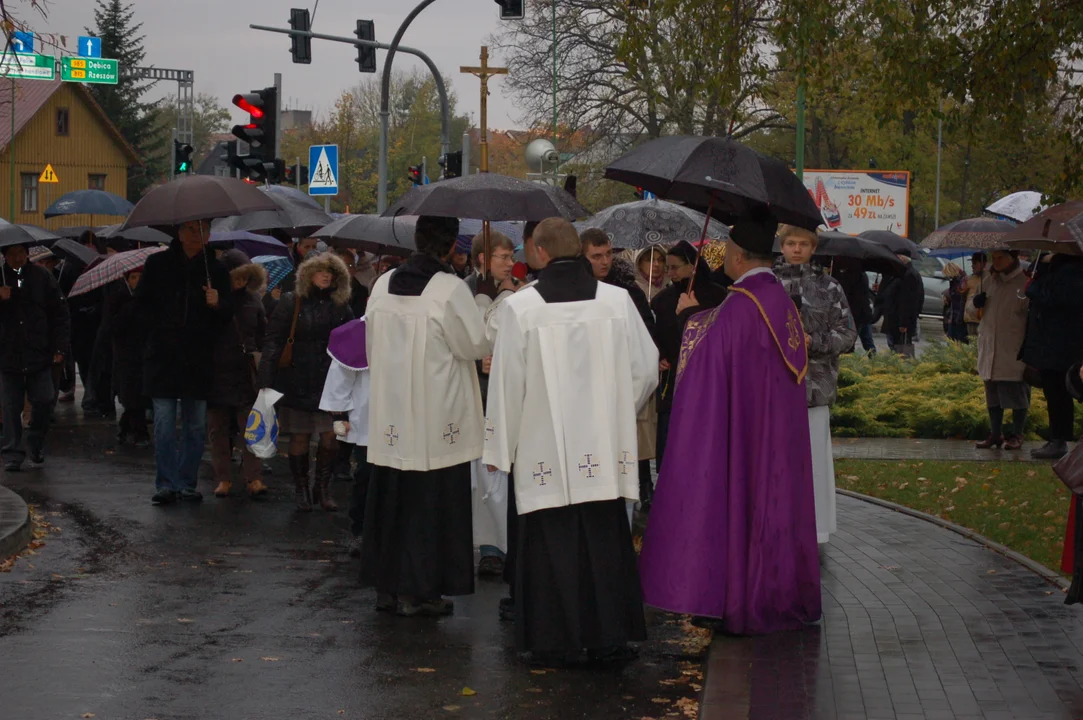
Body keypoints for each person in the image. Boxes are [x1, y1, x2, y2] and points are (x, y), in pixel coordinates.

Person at [483, 217, 658, 664]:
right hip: (603, 445)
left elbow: (506, 385)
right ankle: (609, 639)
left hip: (544, 448)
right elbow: (646, 366)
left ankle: (551, 640)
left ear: (538, 253)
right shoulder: (618, 302)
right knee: (602, 538)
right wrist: (617, 411)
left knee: (549, 542)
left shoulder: (521, 309)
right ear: (579, 252)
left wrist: (500, 448)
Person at [638, 214, 821, 635]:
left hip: (740, 434)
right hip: (775, 437)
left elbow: (704, 361)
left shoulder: (740, 306)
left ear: (737, 257)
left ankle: (735, 596)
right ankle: (777, 592)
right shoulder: (780, 302)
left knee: (737, 501)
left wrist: (688, 317)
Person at [361, 216, 490, 617]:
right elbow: (473, 345)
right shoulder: (449, 289)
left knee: (392, 499)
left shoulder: (382, 284)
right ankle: (422, 590)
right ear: (452, 246)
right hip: (435, 414)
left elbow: (370, 344)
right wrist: (483, 303)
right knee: (430, 505)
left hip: (391, 413)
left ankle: (387, 587)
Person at [135, 219, 233, 505]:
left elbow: (228, 313)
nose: (196, 235)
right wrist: (157, 332)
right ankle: (166, 482)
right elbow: (141, 304)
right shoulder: (158, 264)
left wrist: (217, 303)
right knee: (164, 423)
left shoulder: (216, 268)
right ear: (179, 232)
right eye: (190, 229)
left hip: (198, 360)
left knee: (195, 426)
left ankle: (187, 482)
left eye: (202, 229)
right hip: (163, 359)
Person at [775, 225, 856, 545]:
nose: (797, 249)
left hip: (816, 387)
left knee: (815, 464)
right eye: (791, 243)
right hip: (776, 388)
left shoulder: (830, 286)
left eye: (803, 244)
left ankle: (817, 528)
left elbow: (847, 334)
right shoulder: (769, 284)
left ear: (813, 248)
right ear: (781, 246)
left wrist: (815, 341)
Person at [259, 252, 354, 510]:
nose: (326, 275)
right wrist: (265, 381)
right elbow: (274, 341)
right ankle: (302, 490)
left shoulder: (340, 305)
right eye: (320, 270)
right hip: (296, 379)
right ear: (308, 275)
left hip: (329, 383)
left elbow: (351, 344)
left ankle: (322, 489)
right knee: (299, 437)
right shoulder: (292, 301)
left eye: (330, 272)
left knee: (330, 436)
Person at [581, 228, 659, 510]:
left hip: (624, 380)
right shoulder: (578, 291)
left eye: (608, 255)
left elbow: (646, 333)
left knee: (631, 448)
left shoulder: (627, 290)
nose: (604, 261)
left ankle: (641, 492)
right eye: (596, 256)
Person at [650, 241, 727, 469]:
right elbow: (654, 332)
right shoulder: (662, 300)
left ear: (692, 266)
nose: (670, 273)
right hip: (671, 378)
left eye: (675, 267)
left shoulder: (718, 296)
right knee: (668, 443)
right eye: (668, 268)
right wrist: (659, 354)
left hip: (705, 380)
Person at [469, 230, 519, 578]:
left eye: (511, 256)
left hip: (509, 394)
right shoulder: (464, 291)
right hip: (477, 395)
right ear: (483, 258)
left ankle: (510, 543)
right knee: (483, 474)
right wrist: (476, 361)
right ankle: (488, 546)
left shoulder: (519, 293)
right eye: (502, 257)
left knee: (507, 471)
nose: (510, 263)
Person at [0, 243, 70, 472]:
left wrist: (59, 347)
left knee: (43, 399)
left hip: (39, 352)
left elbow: (59, 313)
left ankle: (36, 441)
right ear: (5, 256)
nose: (17, 258)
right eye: (12, 254)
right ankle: (12, 451)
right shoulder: (1, 278)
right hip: (8, 354)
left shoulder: (41, 277)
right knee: (11, 406)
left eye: (21, 253)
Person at [207, 250, 269, 499]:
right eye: (236, 277)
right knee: (218, 429)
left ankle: (254, 477)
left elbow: (263, 333)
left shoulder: (254, 300)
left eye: (245, 278)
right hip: (216, 370)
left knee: (250, 427)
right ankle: (223, 478)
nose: (240, 282)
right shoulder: (212, 299)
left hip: (245, 371)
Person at [1020, 253, 1083, 459]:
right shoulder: (1057, 269)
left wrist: (1034, 287)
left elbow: (1055, 299)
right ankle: (1057, 438)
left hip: (1062, 344)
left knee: (1059, 393)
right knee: (1054, 392)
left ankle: (1059, 440)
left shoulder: (1072, 271)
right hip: (1051, 342)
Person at [320, 317, 370, 558]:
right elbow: (339, 378)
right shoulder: (357, 333)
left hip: (404, 419)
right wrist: (339, 415)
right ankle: (361, 531)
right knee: (365, 477)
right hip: (367, 420)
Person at [971, 249, 1029, 450]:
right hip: (989, 344)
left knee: (1016, 392)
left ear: (1012, 258)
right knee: (992, 393)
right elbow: (973, 310)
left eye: (1000, 258)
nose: (996, 262)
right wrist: (976, 303)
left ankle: (1017, 434)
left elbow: (1029, 316)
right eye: (993, 258)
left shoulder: (1023, 283)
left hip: (1012, 346)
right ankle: (995, 433)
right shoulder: (988, 280)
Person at [103, 268, 149, 446]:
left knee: (140, 393)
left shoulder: (148, 298)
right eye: (133, 277)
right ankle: (139, 431)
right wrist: (130, 308)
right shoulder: (118, 299)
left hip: (144, 351)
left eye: (140, 276)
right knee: (132, 392)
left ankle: (126, 426)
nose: (137, 280)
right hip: (125, 353)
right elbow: (111, 326)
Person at [879, 249, 923, 356]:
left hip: (899, 321)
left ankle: (903, 370)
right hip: (894, 319)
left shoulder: (909, 275)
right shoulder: (900, 273)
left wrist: (904, 323)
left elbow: (908, 301)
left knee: (901, 350)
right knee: (895, 347)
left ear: (902, 258)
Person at [263, 236, 319, 316]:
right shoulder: (287, 264)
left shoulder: (320, 265)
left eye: (314, 247)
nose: (310, 250)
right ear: (298, 246)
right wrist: (272, 297)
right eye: (306, 247)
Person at [941, 262, 969, 343]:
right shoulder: (957, 281)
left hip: (957, 317)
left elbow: (958, 298)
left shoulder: (960, 282)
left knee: (955, 341)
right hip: (955, 316)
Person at [964, 252, 988, 337]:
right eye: (972, 263)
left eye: (975, 263)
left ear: (983, 263)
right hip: (970, 319)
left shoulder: (988, 278)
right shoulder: (970, 278)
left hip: (982, 320)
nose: (972, 266)